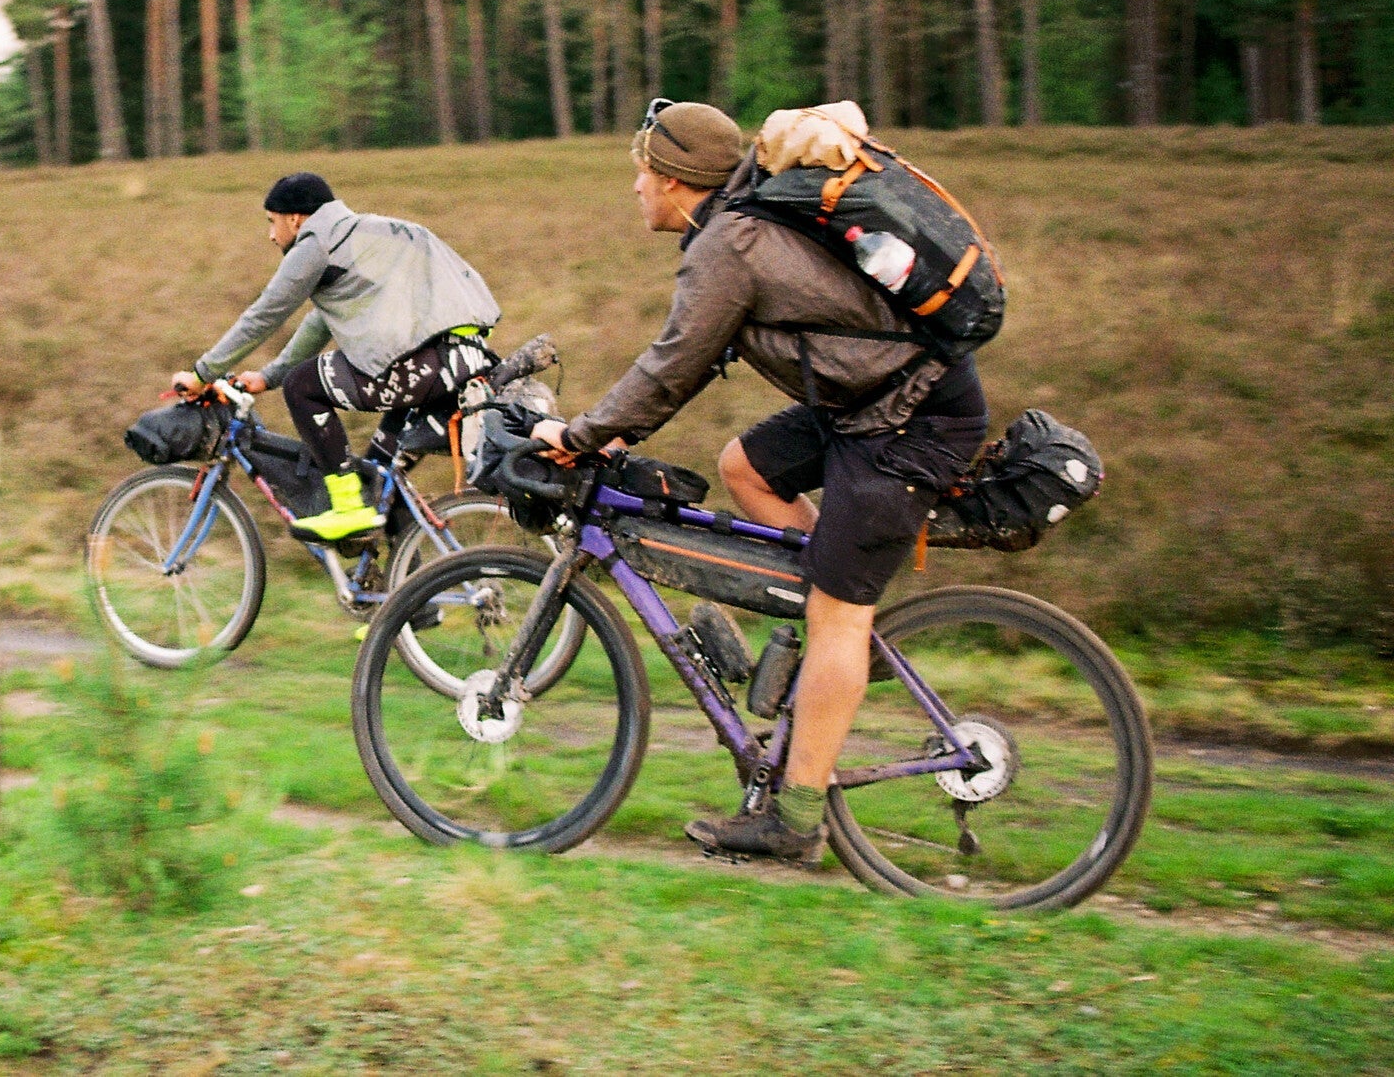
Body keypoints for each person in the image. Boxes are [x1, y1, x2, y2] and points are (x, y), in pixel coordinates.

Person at [529, 100, 990, 863]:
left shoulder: (728, 247)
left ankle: (796, 817)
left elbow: (669, 368)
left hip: (910, 418)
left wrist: (580, 436)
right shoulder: (737, 219)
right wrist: (610, 426)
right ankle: (826, 646)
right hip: (866, 400)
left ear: (671, 179)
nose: (634, 190)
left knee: (839, 614)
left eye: (639, 174)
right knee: (744, 467)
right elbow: (695, 360)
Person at [173, 172, 502, 542]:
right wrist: (268, 376)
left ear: (295, 218)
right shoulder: (370, 231)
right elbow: (320, 322)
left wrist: (203, 372)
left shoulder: (317, 243)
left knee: (302, 385)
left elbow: (266, 313)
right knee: (380, 481)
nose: (270, 235)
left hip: (424, 367)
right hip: (466, 360)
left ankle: (346, 509)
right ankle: (415, 597)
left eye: (272, 222)